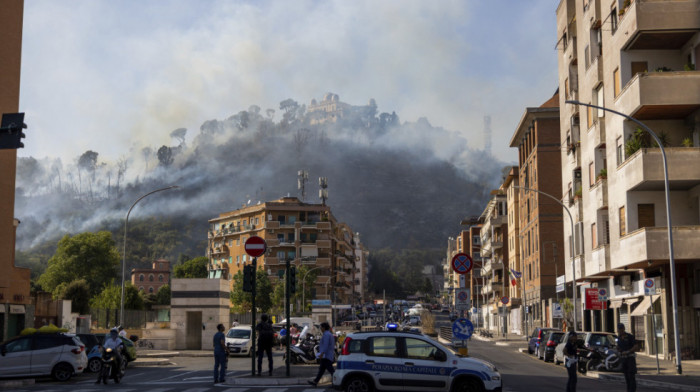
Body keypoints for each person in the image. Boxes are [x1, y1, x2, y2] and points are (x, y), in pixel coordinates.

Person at [308, 322, 335, 387]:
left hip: (326, 355)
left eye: (321, 328)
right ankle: (315, 381)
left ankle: (336, 382)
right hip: (327, 354)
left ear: (323, 328)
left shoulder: (326, 335)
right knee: (322, 369)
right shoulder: (329, 334)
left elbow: (325, 345)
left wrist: (322, 353)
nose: (321, 329)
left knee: (331, 370)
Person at [617, 323, 638, 392]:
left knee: (631, 375)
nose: (620, 331)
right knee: (626, 376)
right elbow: (618, 347)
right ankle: (628, 390)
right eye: (619, 329)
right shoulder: (619, 338)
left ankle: (632, 390)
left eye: (621, 329)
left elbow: (635, 346)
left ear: (623, 329)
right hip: (623, 359)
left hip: (630, 358)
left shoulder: (630, 336)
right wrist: (619, 350)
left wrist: (628, 351)